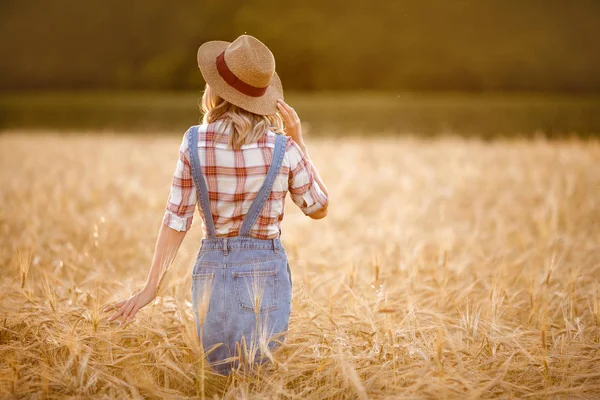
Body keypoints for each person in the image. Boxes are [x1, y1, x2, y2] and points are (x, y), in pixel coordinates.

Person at [103, 34, 329, 375]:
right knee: (260, 379)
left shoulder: (194, 141)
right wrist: (299, 142)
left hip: (211, 272)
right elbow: (318, 207)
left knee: (217, 377)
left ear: (216, 89)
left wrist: (151, 288)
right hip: (265, 273)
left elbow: (176, 219)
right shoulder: (283, 147)